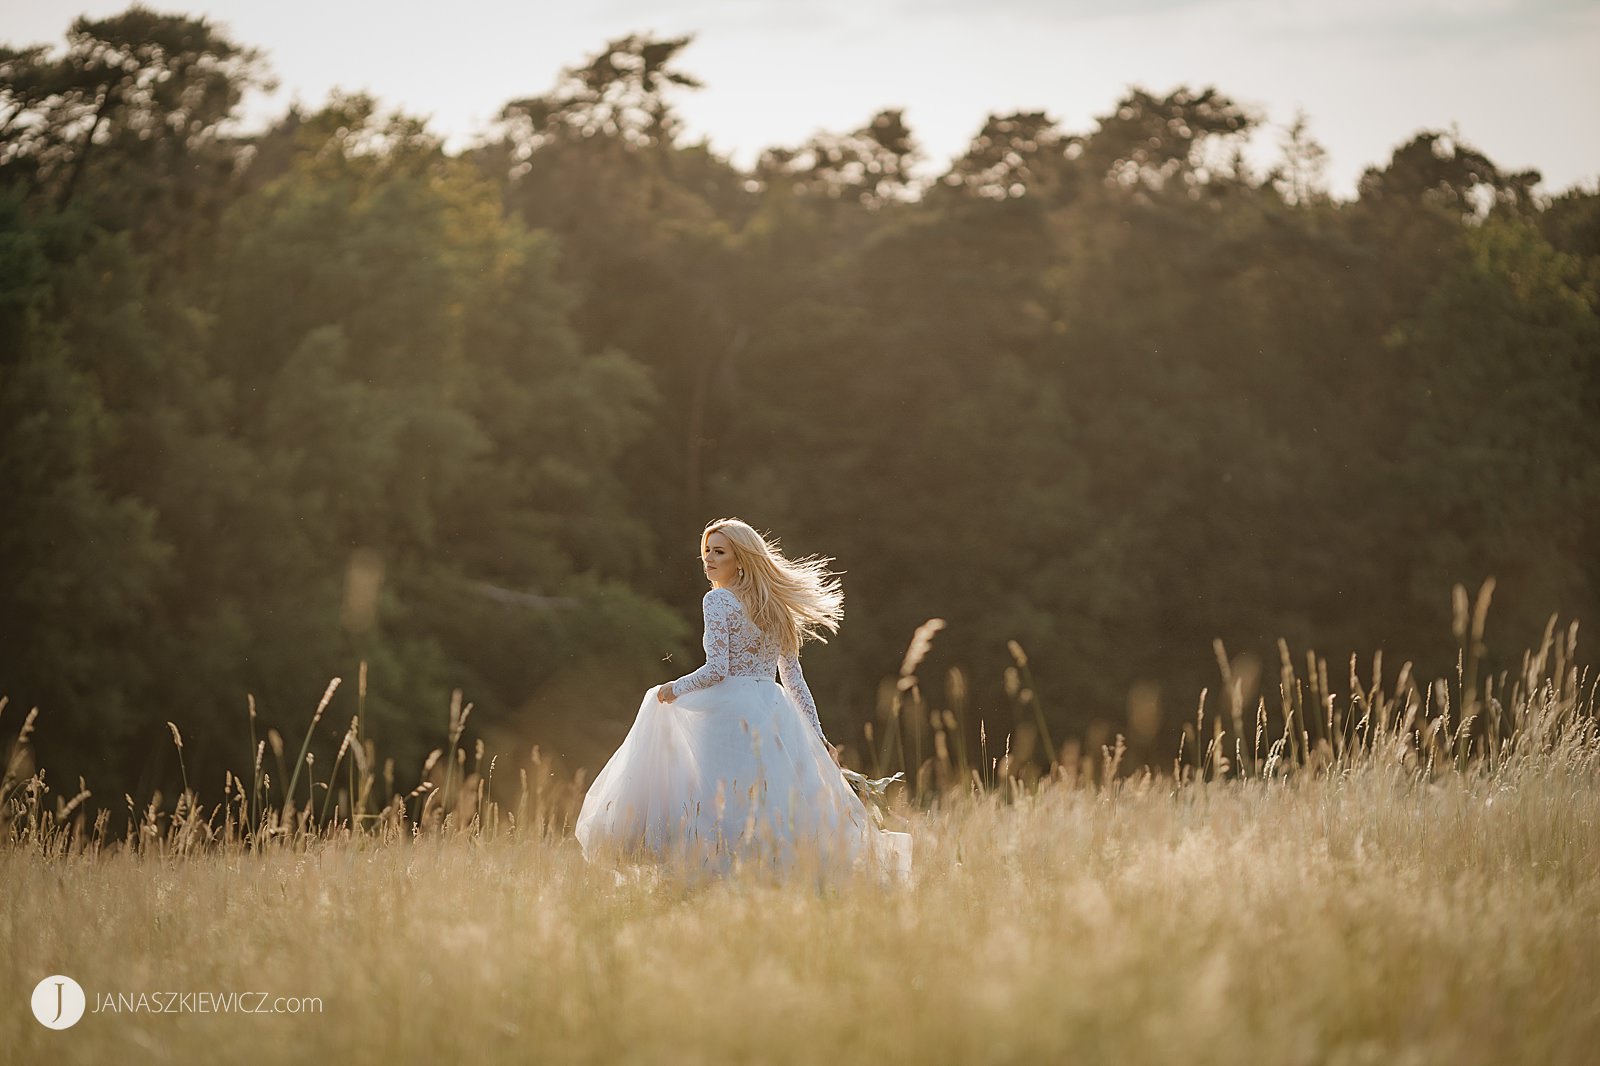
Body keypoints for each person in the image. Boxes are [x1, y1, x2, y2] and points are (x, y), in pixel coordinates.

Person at [575, 518, 913, 888]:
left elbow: (717, 670)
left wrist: (673, 687)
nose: (708, 560)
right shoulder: (776, 606)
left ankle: (712, 879)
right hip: (772, 708)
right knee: (771, 800)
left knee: (717, 798)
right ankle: (771, 880)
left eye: (719, 552)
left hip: (728, 712)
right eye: (706, 552)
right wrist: (815, 734)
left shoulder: (717, 599)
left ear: (741, 559)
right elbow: (794, 679)